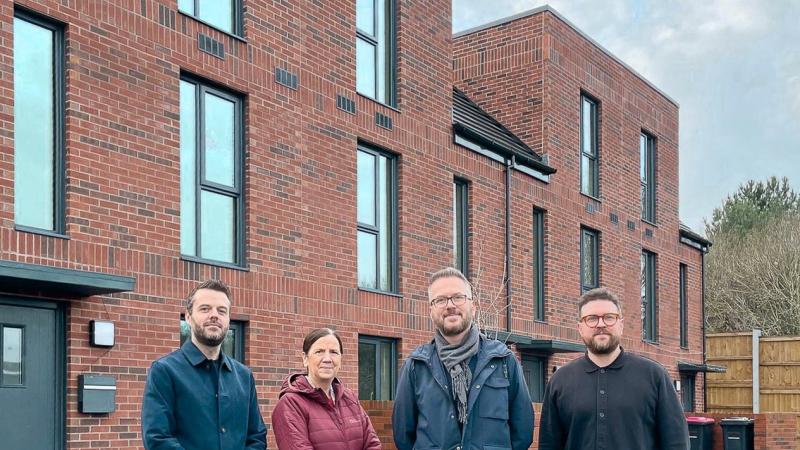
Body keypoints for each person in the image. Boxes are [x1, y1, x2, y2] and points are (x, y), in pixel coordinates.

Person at [392, 267, 534, 450]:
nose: (450, 305)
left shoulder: (503, 361)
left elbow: (522, 430)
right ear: (431, 311)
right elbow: (403, 435)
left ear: (473, 307)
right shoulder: (416, 366)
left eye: (458, 297)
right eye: (441, 300)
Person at [538, 287, 689, 450]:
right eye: (592, 318)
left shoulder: (654, 376)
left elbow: (676, 442)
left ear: (621, 325)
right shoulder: (561, 380)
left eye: (609, 318)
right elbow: (549, 444)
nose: (601, 324)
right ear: (580, 327)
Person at [141, 280, 267, 450]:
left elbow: (257, 437)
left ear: (229, 320)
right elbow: (158, 439)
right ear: (188, 316)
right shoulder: (165, 371)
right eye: (205, 309)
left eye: (221, 311)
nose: (214, 315)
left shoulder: (244, 376)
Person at [272, 328, 381, 450]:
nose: (327, 359)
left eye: (334, 352)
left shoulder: (350, 399)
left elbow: (372, 444)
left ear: (340, 359)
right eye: (319, 351)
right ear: (305, 358)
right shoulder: (291, 404)